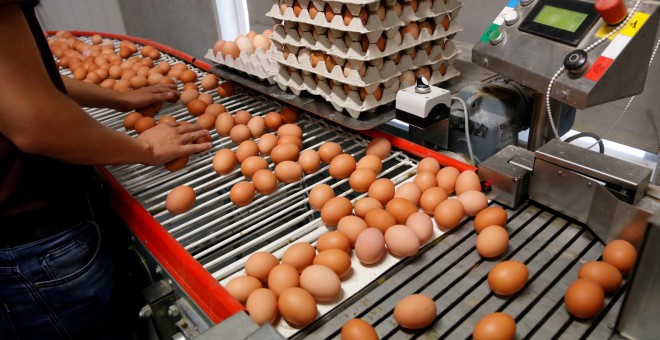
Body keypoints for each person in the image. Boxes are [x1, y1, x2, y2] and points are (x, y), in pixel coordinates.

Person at [0, 1, 212, 339]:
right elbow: (33, 124)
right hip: (34, 242)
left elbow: (25, 82)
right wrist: (145, 148)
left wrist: (118, 99)